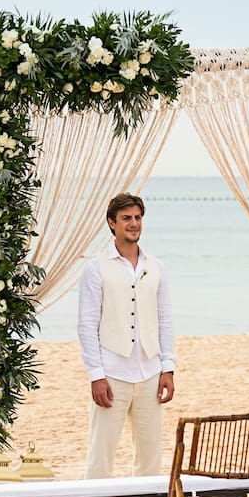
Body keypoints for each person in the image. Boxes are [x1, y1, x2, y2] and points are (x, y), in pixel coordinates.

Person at [77, 192, 176, 480]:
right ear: (112, 223)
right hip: (112, 373)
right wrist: (96, 374)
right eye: (126, 218)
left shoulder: (156, 268)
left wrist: (167, 368)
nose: (133, 223)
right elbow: (87, 325)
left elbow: (165, 320)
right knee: (101, 453)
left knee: (150, 455)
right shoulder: (95, 269)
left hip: (150, 372)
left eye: (137, 218)